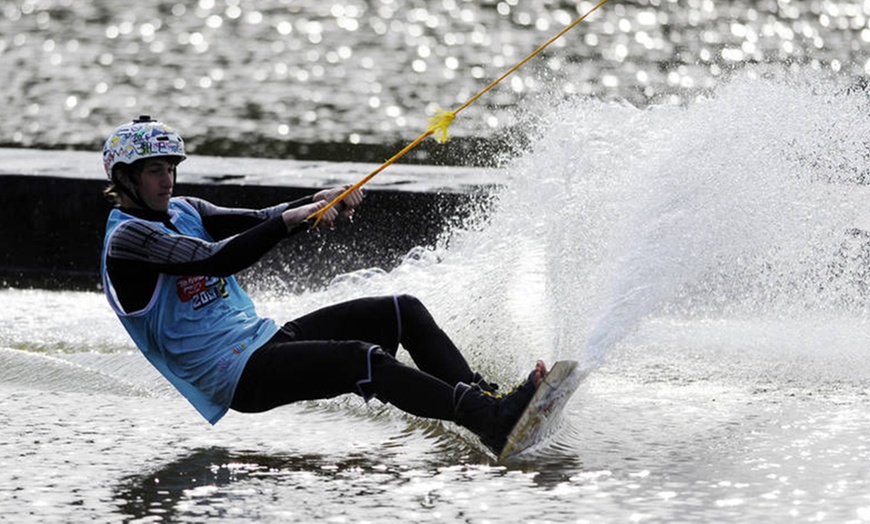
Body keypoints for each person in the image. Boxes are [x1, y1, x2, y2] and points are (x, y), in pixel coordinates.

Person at [99, 115, 547, 455]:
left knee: (400, 311)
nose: (167, 180)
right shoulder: (128, 239)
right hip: (234, 376)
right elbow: (219, 258)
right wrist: (290, 221)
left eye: (170, 168)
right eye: (154, 170)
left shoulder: (185, 209)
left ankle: (490, 400)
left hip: (261, 340)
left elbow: (258, 221)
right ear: (125, 179)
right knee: (359, 360)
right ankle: (488, 419)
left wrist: (313, 203)